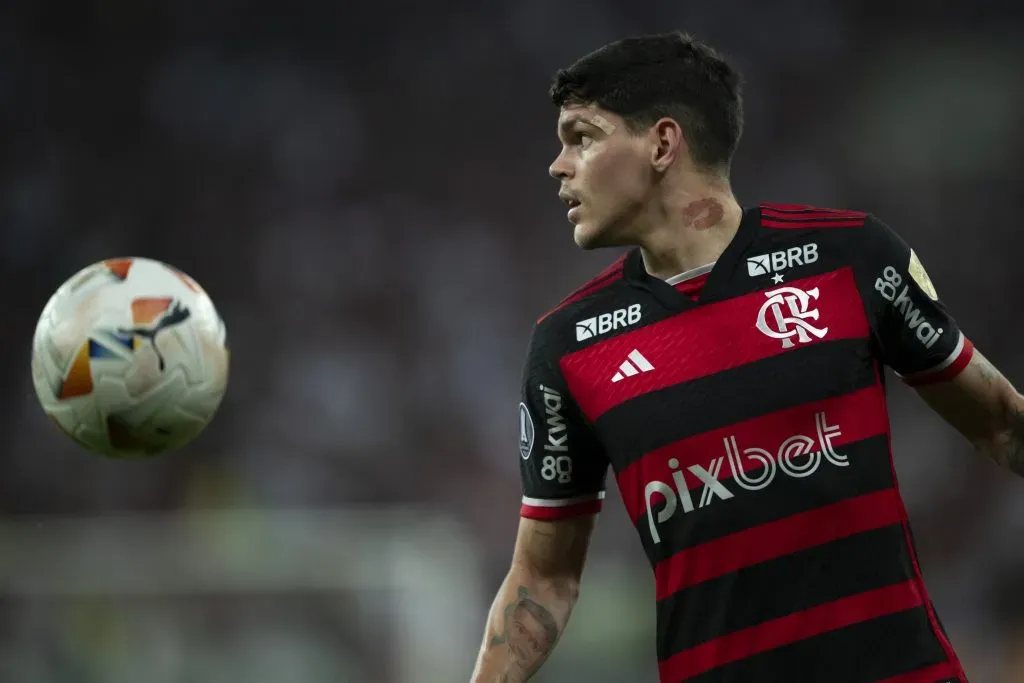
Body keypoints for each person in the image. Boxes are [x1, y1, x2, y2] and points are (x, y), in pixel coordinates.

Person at [469, 31, 1023, 683]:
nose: (558, 165)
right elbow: (544, 578)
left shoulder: (850, 257)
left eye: (582, 137)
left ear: (662, 144)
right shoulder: (569, 345)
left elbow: (1001, 423)